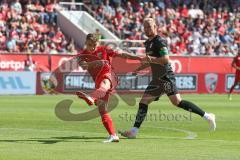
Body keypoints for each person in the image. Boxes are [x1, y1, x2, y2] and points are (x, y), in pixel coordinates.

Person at [119, 18, 216, 139]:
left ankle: (207, 116)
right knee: (145, 101)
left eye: (149, 26)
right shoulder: (148, 43)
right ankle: (134, 131)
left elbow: (165, 59)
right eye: (145, 27)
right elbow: (149, 60)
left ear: (155, 27)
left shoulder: (159, 41)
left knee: (177, 102)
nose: (147, 29)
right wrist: (137, 70)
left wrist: (145, 59)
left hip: (165, 76)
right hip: (157, 78)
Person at [76, 33, 141, 143]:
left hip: (110, 76)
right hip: (97, 82)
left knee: (105, 82)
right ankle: (113, 135)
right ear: (86, 43)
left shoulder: (105, 49)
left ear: (98, 43)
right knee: (102, 110)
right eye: (89, 44)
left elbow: (122, 54)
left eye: (94, 45)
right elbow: (83, 66)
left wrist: (138, 58)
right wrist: (98, 62)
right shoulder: (82, 54)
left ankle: (92, 97)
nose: (92, 47)